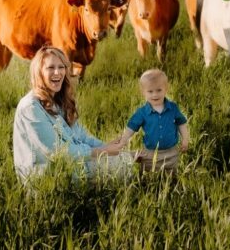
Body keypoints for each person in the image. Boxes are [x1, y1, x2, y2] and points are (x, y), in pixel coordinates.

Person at [13, 45, 131, 178]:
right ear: (39, 72)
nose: (57, 72)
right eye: (50, 68)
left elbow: (82, 137)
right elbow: (58, 152)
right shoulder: (31, 107)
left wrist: (110, 147)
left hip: (72, 165)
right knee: (123, 165)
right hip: (49, 176)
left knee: (127, 158)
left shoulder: (59, 101)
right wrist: (103, 151)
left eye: (61, 67)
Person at [114, 68, 189, 173]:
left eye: (159, 90)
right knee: (148, 173)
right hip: (150, 152)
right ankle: (147, 184)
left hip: (171, 152)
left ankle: (170, 184)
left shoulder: (173, 108)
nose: (155, 94)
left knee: (171, 174)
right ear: (143, 92)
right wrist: (123, 140)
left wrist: (185, 139)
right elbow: (131, 127)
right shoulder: (142, 112)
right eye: (150, 91)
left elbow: (181, 123)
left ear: (166, 89)